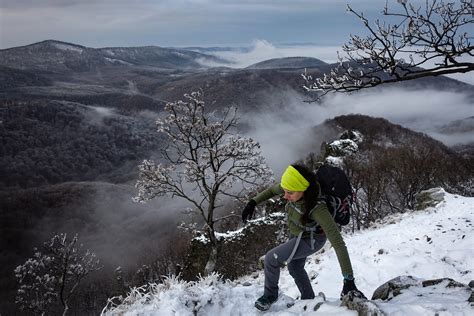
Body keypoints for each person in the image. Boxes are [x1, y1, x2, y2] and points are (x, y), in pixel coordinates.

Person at [241, 164, 366, 311]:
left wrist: (348, 280)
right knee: (294, 267)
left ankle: (270, 295)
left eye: (290, 193)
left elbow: (338, 243)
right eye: (285, 191)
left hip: (312, 240)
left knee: (271, 258)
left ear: (303, 189)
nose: (285, 196)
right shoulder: (293, 187)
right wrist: (253, 202)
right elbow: (271, 190)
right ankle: (309, 300)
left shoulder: (318, 209)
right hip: (297, 233)